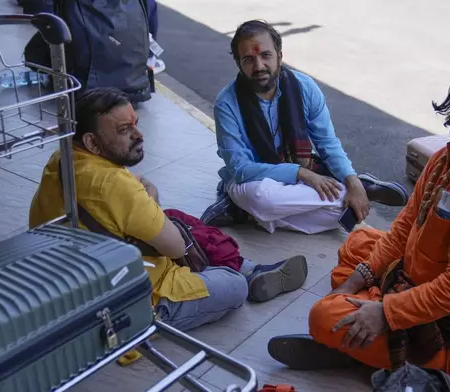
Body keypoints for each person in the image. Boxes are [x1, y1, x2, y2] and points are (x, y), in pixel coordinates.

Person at [266, 53, 450, 390]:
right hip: (418, 279)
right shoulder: (447, 156)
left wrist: (387, 312)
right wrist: (358, 279)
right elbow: (406, 226)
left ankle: (385, 352)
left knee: (322, 317)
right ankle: (365, 325)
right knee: (358, 245)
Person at [29, 87, 309, 332]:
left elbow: (130, 190)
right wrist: (149, 199)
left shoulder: (64, 159)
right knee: (233, 285)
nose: (139, 135)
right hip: (123, 300)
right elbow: (175, 248)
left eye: (135, 124)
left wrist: (145, 198)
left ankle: (251, 268)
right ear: (92, 142)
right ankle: (237, 276)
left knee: (173, 219)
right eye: (124, 131)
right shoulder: (113, 183)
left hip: (73, 280)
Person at [199, 20, 409, 235]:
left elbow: (327, 143)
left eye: (266, 55)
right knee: (262, 199)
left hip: (296, 178)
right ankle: (251, 208)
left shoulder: (305, 88)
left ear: (279, 56)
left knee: (342, 214)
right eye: (249, 59)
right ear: (239, 64)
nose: (259, 66)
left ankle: (247, 214)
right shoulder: (227, 103)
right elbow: (241, 169)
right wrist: (301, 174)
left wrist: (351, 179)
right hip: (254, 182)